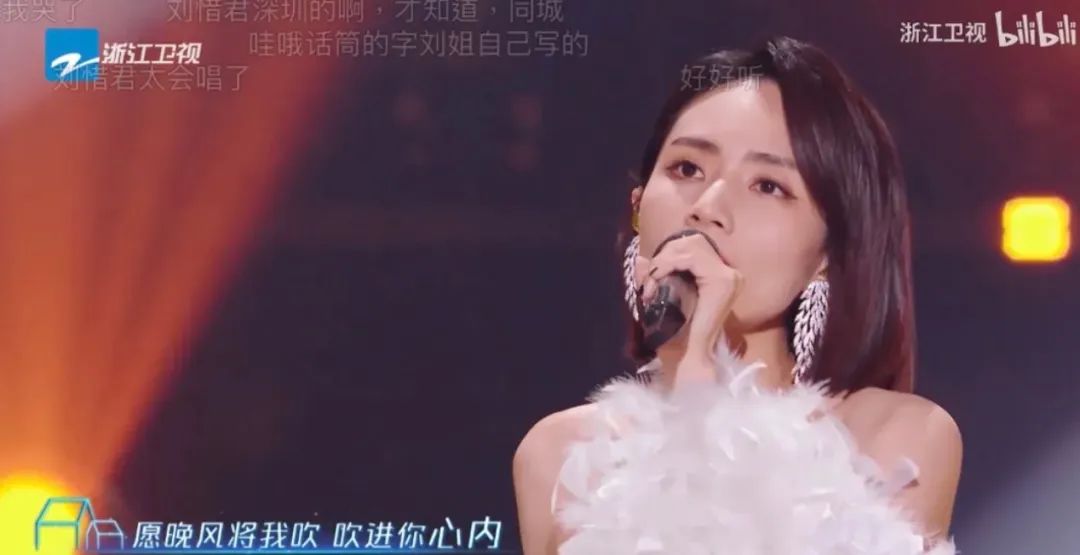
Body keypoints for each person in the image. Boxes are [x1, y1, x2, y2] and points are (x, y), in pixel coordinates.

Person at [512, 36, 962, 554]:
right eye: (687, 169)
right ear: (638, 207)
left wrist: (697, 385)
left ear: (825, 253)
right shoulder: (555, 454)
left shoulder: (898, 437)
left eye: (768, 185)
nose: (708, 206)